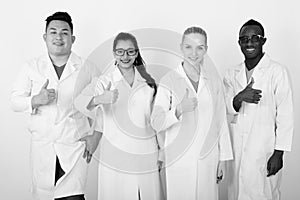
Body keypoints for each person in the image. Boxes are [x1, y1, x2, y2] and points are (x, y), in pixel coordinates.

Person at [10, 12, 102, 200]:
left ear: (72, 38)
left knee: (73, 197)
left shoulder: (88, 68)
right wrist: (35, 100)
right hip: (43, 146)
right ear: (45, 37)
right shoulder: (31, 67)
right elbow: (15, 101)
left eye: (64, 33)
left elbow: (104, 106)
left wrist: (96, 137)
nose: (58, 37)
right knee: (44, 195)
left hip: (74, 146)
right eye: (53, 32)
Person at [74, 32, 162, 200]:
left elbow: (155, 122)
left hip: (146, 154)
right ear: (114, 53)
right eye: (120, 51)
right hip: (115, 156)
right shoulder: (104, 82)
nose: (125, 56)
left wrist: (161, 152)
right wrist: (100, 98)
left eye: (130, 51)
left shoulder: (148, 84)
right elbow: (79, 102)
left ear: (136, 53)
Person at [151, 26, 233, 200]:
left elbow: (220, 121)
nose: (194, 53)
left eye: (200, 47)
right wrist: (179, 110)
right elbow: (156, 122)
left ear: (206, 49)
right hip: (179, 159)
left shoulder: (213, 81)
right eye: (188, 47)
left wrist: (223, 159)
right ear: (181, 47)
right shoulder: (169, 80)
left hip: (208, 158)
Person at [223, 19, 294, 200]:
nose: (249, 43)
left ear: (263, 41)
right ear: (239, 43)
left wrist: (279, 153)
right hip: (237, 150)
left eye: (255, 38)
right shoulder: (231, 73)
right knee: (236, 192)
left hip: (265, 150)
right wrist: (239, 98)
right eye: (244, 39)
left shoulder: (277, 72)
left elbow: (285, 116)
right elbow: (224, 107)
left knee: (264, 193)